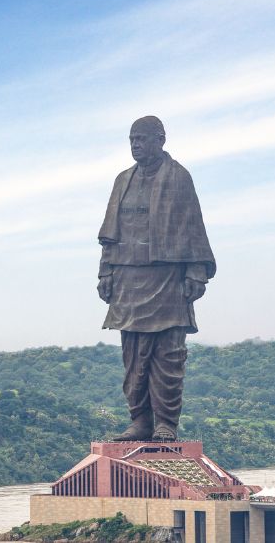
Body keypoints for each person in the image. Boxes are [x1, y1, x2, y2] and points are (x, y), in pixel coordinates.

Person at [97, 115, 215, 442]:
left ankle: (166, 422)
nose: (135, 145)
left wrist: (195, 271)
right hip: (127, 278)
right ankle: (140, 420)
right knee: (133, 355)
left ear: (160, 140)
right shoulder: (122, 180)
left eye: (142, 139)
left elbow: (192, 226)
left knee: (168, 353)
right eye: (131, 139)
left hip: (167, 279)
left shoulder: (178, 177)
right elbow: (110, 233)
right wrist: (106, 271)